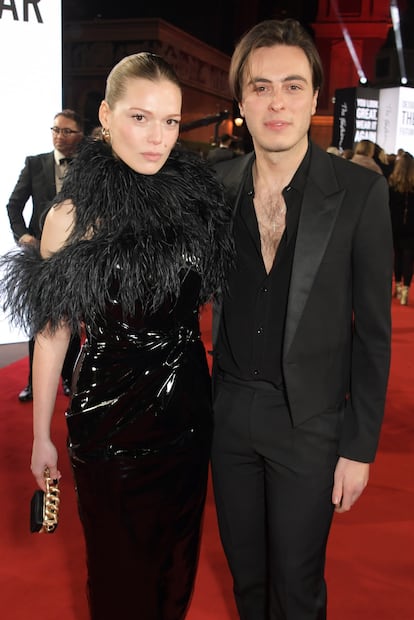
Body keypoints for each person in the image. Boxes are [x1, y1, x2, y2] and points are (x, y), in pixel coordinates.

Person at [1, 52, 232, 619]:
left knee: (175, 573)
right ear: (105, 115)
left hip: (187, 413)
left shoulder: (195, 203)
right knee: (118, 578)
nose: (157, 138)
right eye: (140, 118)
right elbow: (53, 333)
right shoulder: (70, 215)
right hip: (110, 419)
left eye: (171, 122)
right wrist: (40, 435)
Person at [209, 18, 393, 620]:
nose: (277, 102)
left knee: (298, 588)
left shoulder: (359, 194)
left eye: (292, 86)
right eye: (261, 87)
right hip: (229, 415)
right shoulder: (215, 186)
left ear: (315, 96)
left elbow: (373, 333)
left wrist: (359, 447)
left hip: (310, 423)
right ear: (242, 101)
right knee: (248, 584)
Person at [6, 109, 84, 401]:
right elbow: (13, 205)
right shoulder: (34, 163)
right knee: (39, 321)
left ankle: (68, 378)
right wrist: (23, 236)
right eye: (55, 130)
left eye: (66, 131)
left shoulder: (89, 167)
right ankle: (33, 382)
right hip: (41, 256)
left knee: (72, 322)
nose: (59, 136)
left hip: (75, 256)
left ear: (80, 135)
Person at [388, 150, 414, 305]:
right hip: (412, 226)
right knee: (408, 258)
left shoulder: (392, 182)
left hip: (395, 224)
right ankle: (405, 291)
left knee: (397, 256)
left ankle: (397, 286)